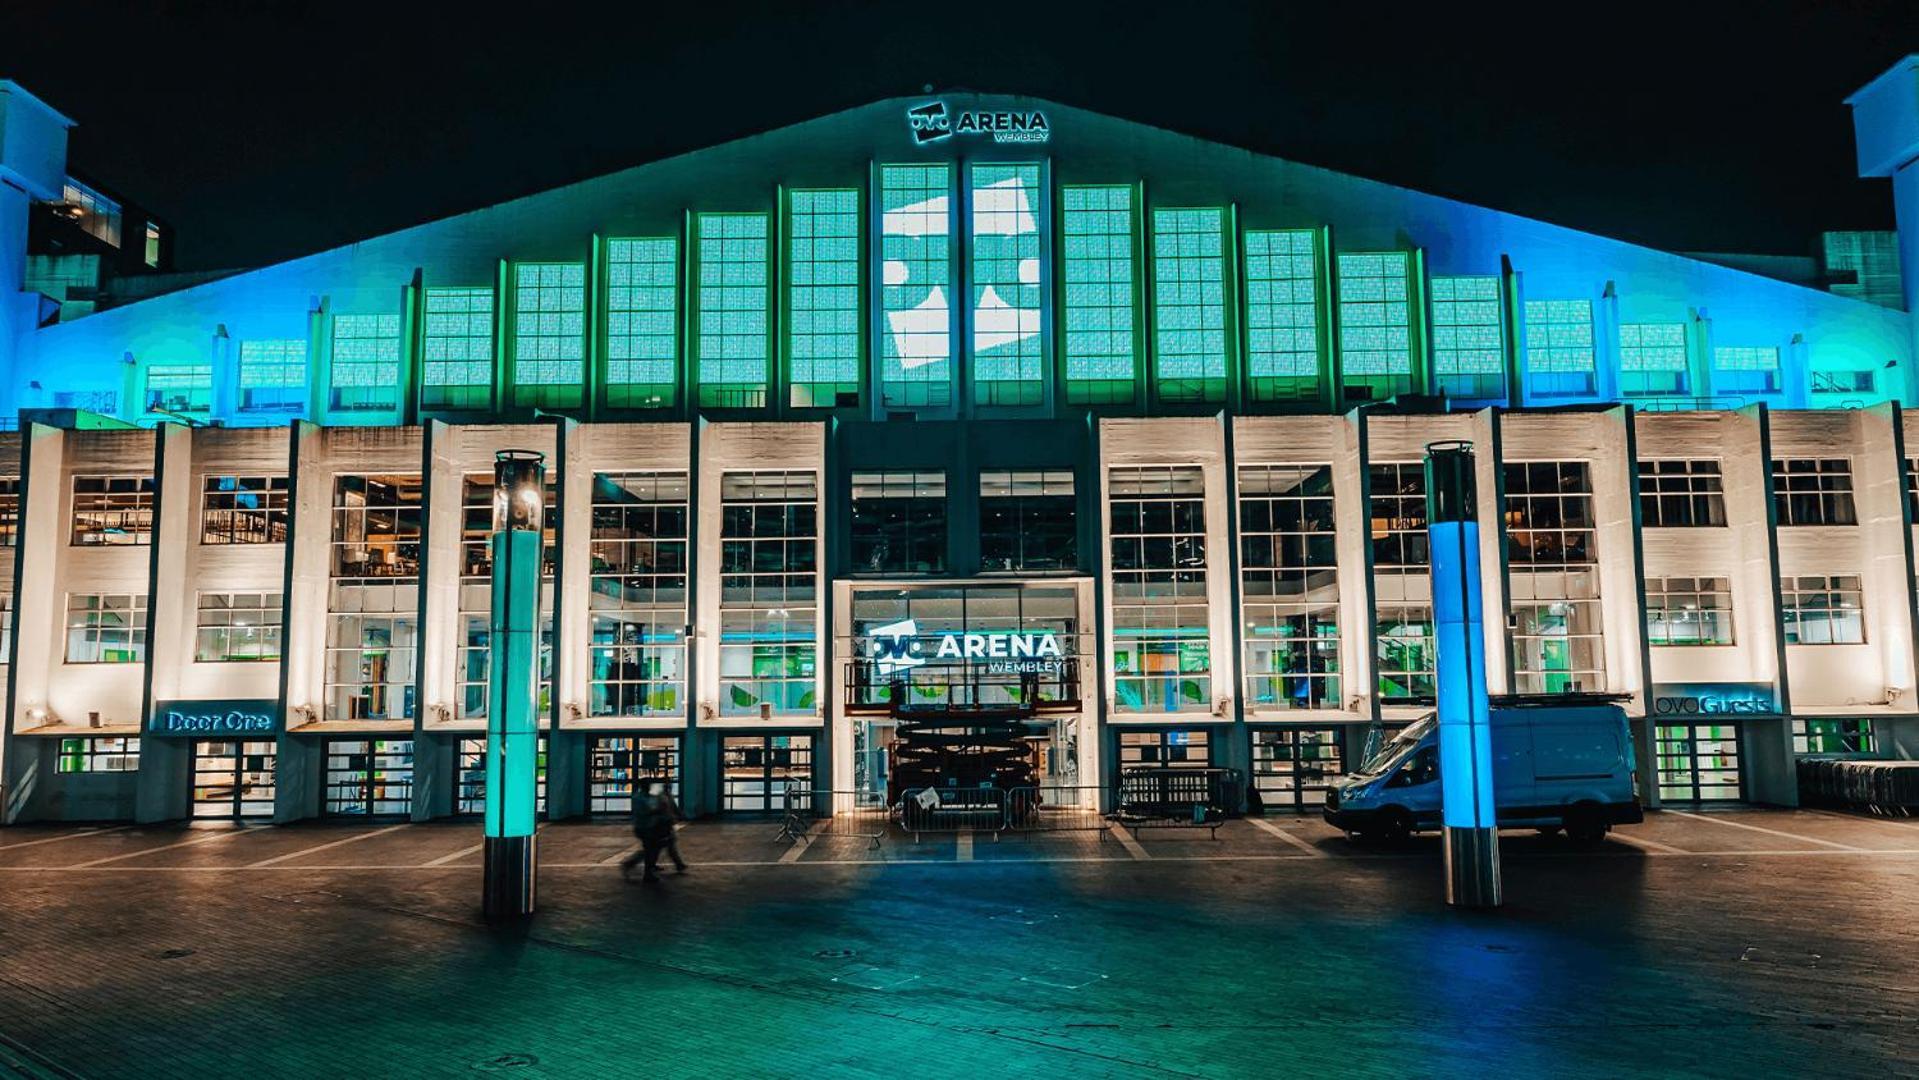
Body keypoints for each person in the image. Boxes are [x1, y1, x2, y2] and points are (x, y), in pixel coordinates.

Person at [621, 781, 687, 883]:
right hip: (644, 827)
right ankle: (637, 867)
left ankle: (643, 868)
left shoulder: (651, 797)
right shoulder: (641, 798)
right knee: (651, 850)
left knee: (652, 849)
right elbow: (646, 812)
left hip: (650, 827)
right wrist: (659, 812)